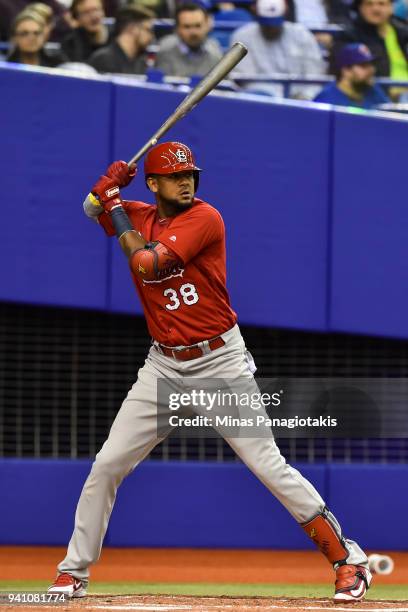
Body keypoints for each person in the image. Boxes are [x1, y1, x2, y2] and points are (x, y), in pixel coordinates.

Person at [47, 141, 372, 604]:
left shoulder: (204, 218)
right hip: (163, 366)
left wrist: (115, 203)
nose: (186, 182)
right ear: (153, 183)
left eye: (190, 175)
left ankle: (350, 562)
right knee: (107, 465)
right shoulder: (140, 214)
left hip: (219, 364)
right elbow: (91, 208)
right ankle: (73, 571)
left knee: (268, 466)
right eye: (175, 176)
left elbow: (148, 265)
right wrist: (107, 188)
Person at [230, 0, 326, 98]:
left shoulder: (302, 34)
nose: (271, 28)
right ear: (256, 14)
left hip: (301, 101)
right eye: (267, 24)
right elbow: (247, 81)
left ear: (285, 13)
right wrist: (278, 101)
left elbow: (315, 74)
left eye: (275, 23)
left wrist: (306, 96)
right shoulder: (242, 36)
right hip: (262, 101)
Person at [333, 0, 408, 79]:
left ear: (391, 8)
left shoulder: (403, 32)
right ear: (360, 8)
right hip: (375, 89)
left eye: (381, 4)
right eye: (369, 4)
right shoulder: (348, 37)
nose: (376, 9)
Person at [154, 3, 223, 78]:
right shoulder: (165, 50)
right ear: (177, 29)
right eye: (187, 27)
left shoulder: (215, 50)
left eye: (198, 26)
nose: (193, 32)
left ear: (207, 26)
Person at [315, 42, 390, 107]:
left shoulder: (372, 90)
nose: (372, 70)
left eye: (371, 64)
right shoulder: (326, 99)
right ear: (346, 71)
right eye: (363, 65)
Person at [88, 6, 154, 74]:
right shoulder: (103, 60)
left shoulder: (141, 62)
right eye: (148, 30)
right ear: (133, 28)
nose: (151, 36)